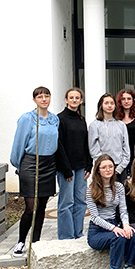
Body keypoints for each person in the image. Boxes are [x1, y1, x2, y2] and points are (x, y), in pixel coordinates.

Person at [10, 86, 59, 257]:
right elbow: (18, 143)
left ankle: (35, 242)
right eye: (40, 96)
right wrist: (19, 166)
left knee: (42, 207)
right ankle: (21, 241)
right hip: (31, 164)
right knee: (31, 207)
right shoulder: (27, 119)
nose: (44, 99)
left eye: (47, 96)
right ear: (34, 100)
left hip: (48, 164)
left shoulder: (54, 119)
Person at [86, 155, 135, 269]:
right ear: (98, 170)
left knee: (133, 234)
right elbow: (95, 218)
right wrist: (113, 228)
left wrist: (126, 225)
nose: (108, 170)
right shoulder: (91, 189)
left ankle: (128, 268)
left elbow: (123, 210)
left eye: (110, 166)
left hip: (115, 223)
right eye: (104, 167)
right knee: (118, 237)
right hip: (97, 231)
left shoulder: (119, 187)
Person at [56, 87, 91, 241]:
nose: (74, 100)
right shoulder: (60, 119)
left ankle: (78, 232)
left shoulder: (81, 120)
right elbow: (59, 145)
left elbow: (85, 144)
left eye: (77, 98)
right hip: (66, 169)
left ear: (81, 101)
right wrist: (66, 169)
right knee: (66, 202)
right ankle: (66, 235)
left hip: (81, 167)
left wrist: (89, 165)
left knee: (80, 201)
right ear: (66, 100)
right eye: (71, 97)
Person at [89, 93, 129, 178]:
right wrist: (104, 166)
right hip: (103, 169)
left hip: (120, 168)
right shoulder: (95, 125)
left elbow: (126, 148)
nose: (109, 106)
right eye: (106, 103)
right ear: (101, 105)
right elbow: (93, 149)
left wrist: (119, 168)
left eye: (112, 103)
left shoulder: (121, 125)